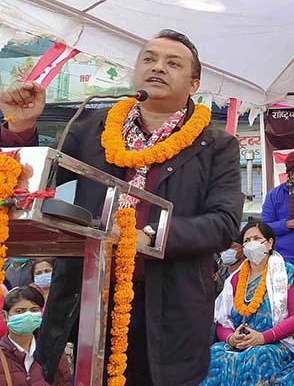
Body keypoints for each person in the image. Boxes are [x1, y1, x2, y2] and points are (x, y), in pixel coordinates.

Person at [0, 29, 244, 384]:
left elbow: (223, 224)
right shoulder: (89, 128)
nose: (157, 67)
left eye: (172, 63)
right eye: (148, 59)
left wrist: (147, 236)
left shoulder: (216, 145)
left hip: (168, 306)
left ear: (193, 85)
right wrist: (21, 128)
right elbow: (44, 187)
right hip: (84, 298)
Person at [202, 221, 294, 386]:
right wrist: (231, 338)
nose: (251, 243)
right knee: (212, 357)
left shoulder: (286, 273)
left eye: (256, 238)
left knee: (257, 357)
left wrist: (263, 337)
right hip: (239, 344)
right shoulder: (234, 280)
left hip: (275, 344)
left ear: (270, 242)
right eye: (246, 240)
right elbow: (221, 320)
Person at [0, 286, 71, 386]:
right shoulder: (3, 354)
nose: (27, 316)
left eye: (34, 310)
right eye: (20, 311)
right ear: (5, 316)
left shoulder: (53, 350)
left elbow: (65, 382)